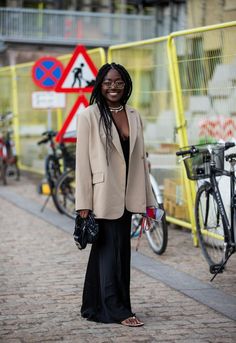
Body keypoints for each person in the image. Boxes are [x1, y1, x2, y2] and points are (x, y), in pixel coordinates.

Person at [75, 62, 156, 327]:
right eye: (108, 82)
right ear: (100, 84)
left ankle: (93, 304)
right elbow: (82, 162)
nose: (113, 87)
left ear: (126, 84)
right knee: (111, 252)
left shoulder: (134, 115)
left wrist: (148, 201)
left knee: (116, 252)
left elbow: (140, 160)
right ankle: (117, 310)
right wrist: (83, 203)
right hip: (102, 195)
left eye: (119, 82)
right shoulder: (89, 115)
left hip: (128, 195)